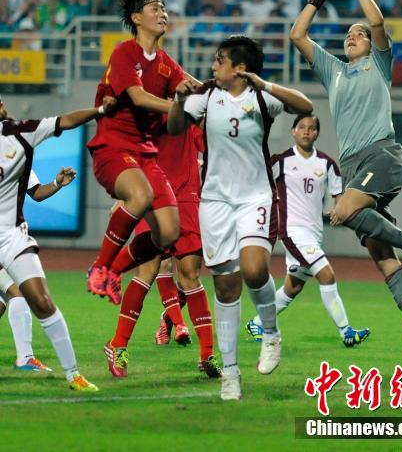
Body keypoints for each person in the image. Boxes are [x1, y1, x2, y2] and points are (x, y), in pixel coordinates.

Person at [290, 0, 402, 368]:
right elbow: (296, 37)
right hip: (354, 167)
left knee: (341, 211)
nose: (353, 36)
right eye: (349, 35)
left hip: (382, 154)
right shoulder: (333, 70)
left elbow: (377, 21)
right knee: (384, 264)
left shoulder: (379, 64)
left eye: (357, 34)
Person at [168, 35, 314, 400]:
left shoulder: (261, 97)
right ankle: (230, 373)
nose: (213, 65)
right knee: (226, 286)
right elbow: (174, 129)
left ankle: (270, 332)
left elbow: (305, 104)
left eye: (220, 60)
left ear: (240, 68)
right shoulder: (205, 94)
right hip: (215, 201)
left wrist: (264, 83)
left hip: (255, 196)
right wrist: (180, 99)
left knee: (253, 270)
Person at [0, 93, 117, 391]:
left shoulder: (20, 135)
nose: (4, 106)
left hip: (11, 236)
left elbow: (65, 120)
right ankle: (25, 357)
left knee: (41, 301)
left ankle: (73, 374)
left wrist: (100, 110)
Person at [86, 0, 186, 303]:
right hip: (113, 147)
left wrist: (206, 95)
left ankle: (114, 270)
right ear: (136, 18)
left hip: (145, 155)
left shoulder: (168, 63)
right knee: (141, 196)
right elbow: (138, 97)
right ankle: (100, 267)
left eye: (164, 8)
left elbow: (187, 95)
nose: (162, 13)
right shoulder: (124, 53)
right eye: (154, 8)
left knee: (169, 233)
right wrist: (178, 104)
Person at [103, 121, 221, 380]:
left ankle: (207, 355)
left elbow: (212, 145)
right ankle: (118, 345)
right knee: (148, 269)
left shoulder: (190, 112)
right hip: (154, 196)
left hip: (187, 198)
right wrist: (125, 196)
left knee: (190, 274)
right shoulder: (148, 112)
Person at [246, 114, 370, 347]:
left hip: (313, 234)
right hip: (292, 231)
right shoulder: (281, 161)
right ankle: (346, 332)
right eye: (301, 127)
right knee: (327, 275)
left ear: (317, 134)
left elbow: (338, 198)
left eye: (311, 128)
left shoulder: (327, 164)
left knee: (292, 287)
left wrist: (339, 211)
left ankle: (257, 323)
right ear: (293, 131)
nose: (306, 131)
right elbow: (256, 180)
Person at [0, 166, 76, 373]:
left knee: (7, 299)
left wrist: (57, 183)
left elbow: (37, 193)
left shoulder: (20, 155)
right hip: (4, 240)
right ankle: (25, 358)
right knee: (19, 293)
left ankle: (26, 358)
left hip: (8, 241)